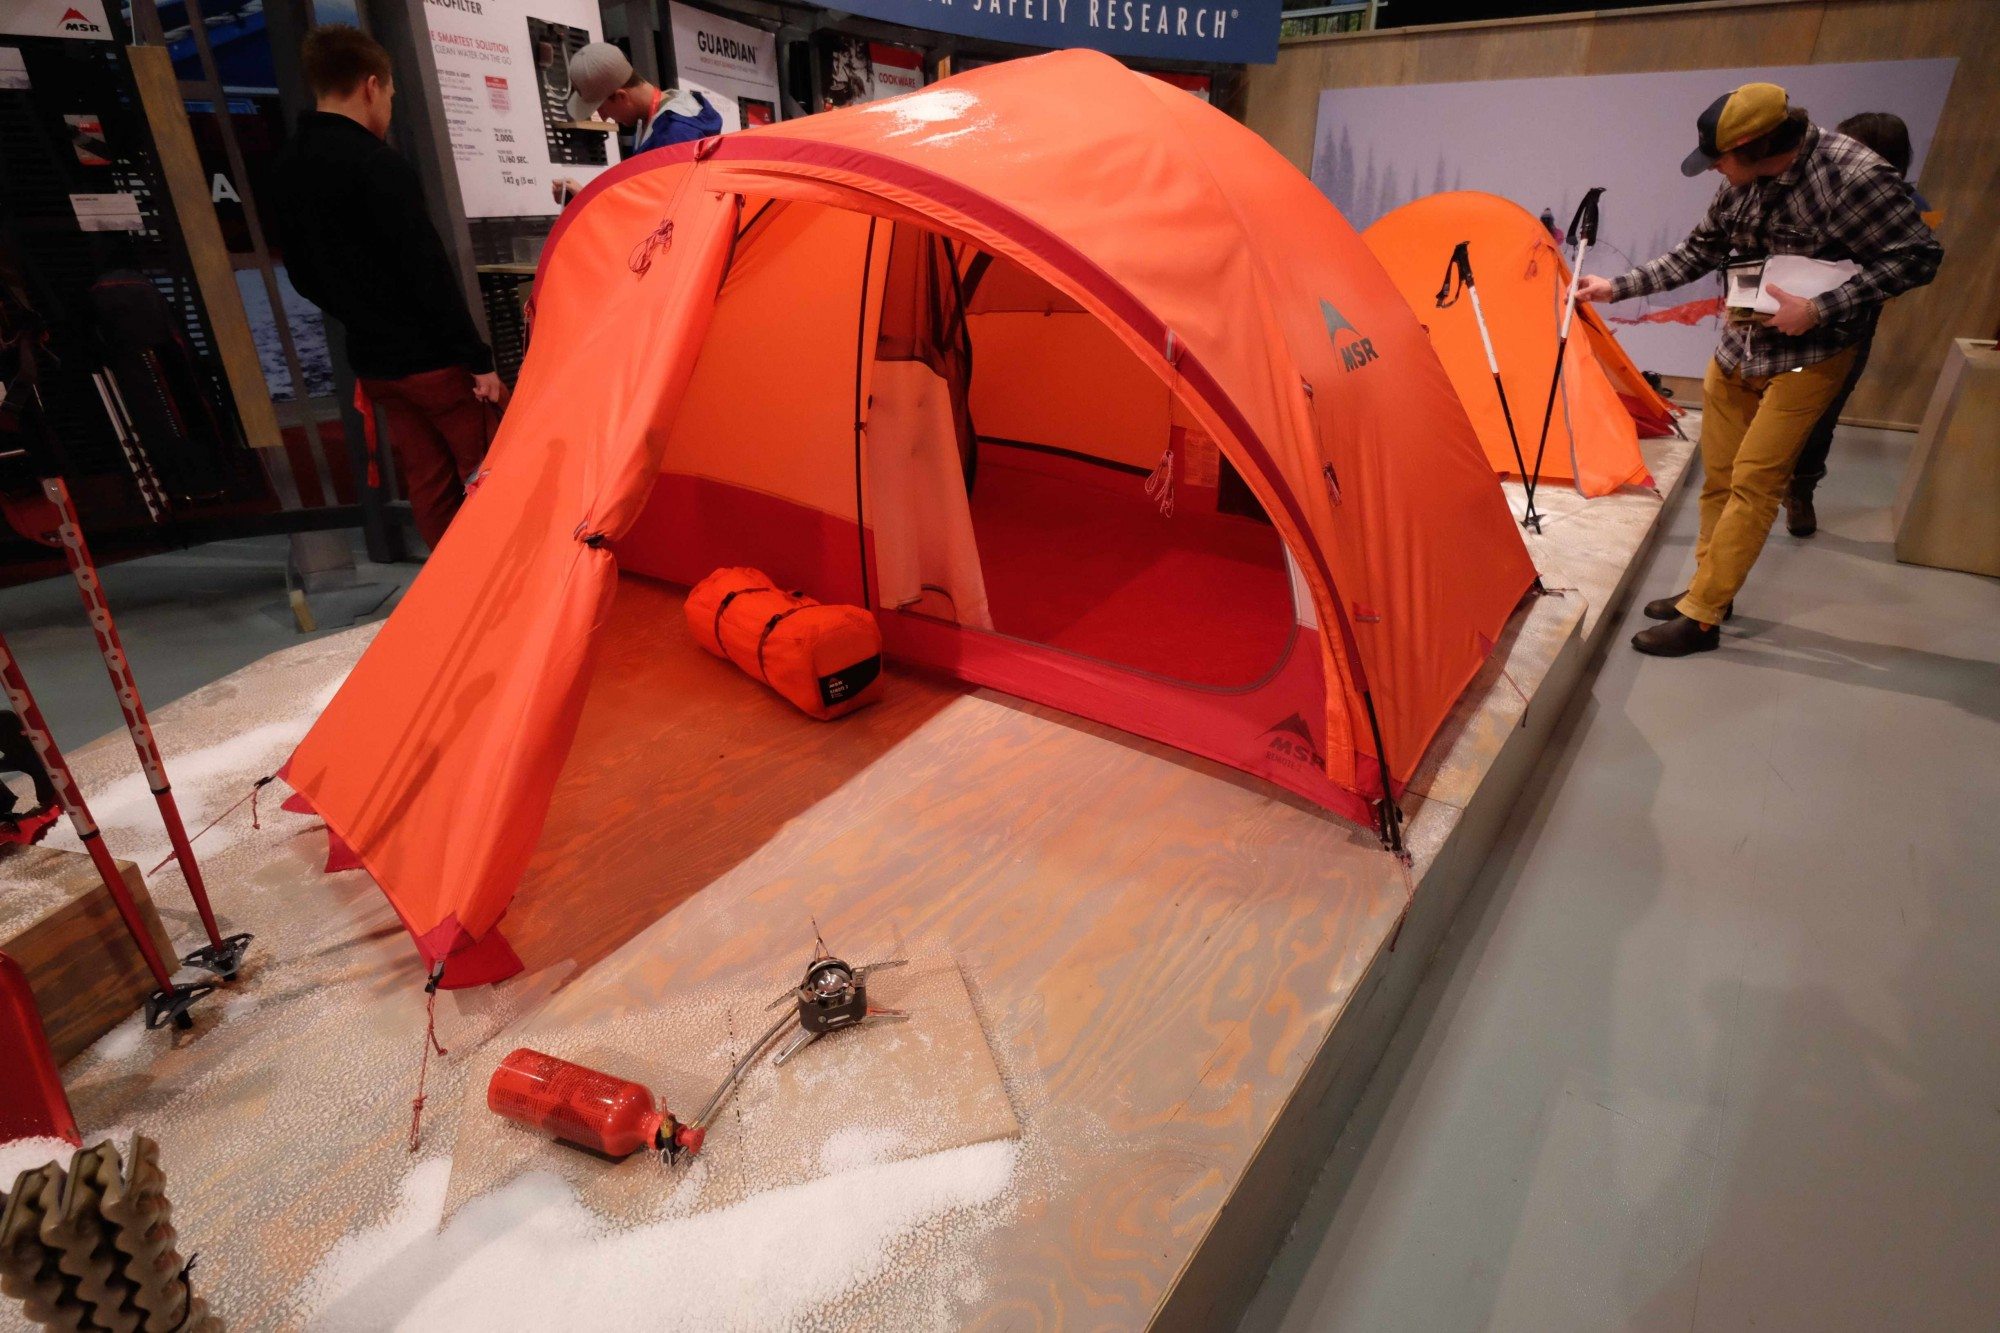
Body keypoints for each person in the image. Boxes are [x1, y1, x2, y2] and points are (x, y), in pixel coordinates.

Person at [1575, 83, 1941, 657]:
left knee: (1754, 483)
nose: (1715, 170)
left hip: (1810, 357)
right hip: (1739, 346)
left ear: (1755, 146)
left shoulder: (1854, 176)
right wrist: (1617, 287)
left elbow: (1918, 256)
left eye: (1720, 159)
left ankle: (1702, 618)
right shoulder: (1738, 182)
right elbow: (1699, 250)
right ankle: (1709, 590)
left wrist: (1820, 308)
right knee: (1719, 477)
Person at [272, 25, 506, 552]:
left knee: (427, 480)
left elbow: (301, 274)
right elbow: (427, 271)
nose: (389, 107)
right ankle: (503, 581)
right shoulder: (378, 164)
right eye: (392, 95)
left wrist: (363, 312)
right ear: (371, 85)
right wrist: (477, 359)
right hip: (434, 361)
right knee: (489, 470)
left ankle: (450, 584)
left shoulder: (287, 166)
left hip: (376, 364)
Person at [1782, 111, 1928, 538]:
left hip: (1846, 329)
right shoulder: (1815, 187)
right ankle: (1759, 483)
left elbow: (1908, 266)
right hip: (1789, 315)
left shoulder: (1903, 205)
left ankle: (1801, 490)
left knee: (1823, 412)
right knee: (1768, 398)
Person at [550, 44, 722, 205]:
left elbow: (662, 211)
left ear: (621, 96)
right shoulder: (655, 117)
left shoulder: (675, 134)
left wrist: (587, 201)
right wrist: (585, 196)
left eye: (601, 108)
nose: (603, 117)